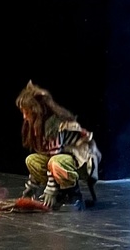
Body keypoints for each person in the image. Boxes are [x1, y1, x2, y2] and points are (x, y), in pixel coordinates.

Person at [15, 80, 101, 210]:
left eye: (27, 112)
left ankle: (74, 195)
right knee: (32, 160)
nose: (24, 117)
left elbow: (53, 158)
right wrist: (31, 188)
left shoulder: (54, 125)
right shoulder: (39, 126)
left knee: (55, 162)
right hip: (62, 160)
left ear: (37, 111)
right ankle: (61, 192)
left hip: (81, 163)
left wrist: (50, 190)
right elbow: (46, 156)